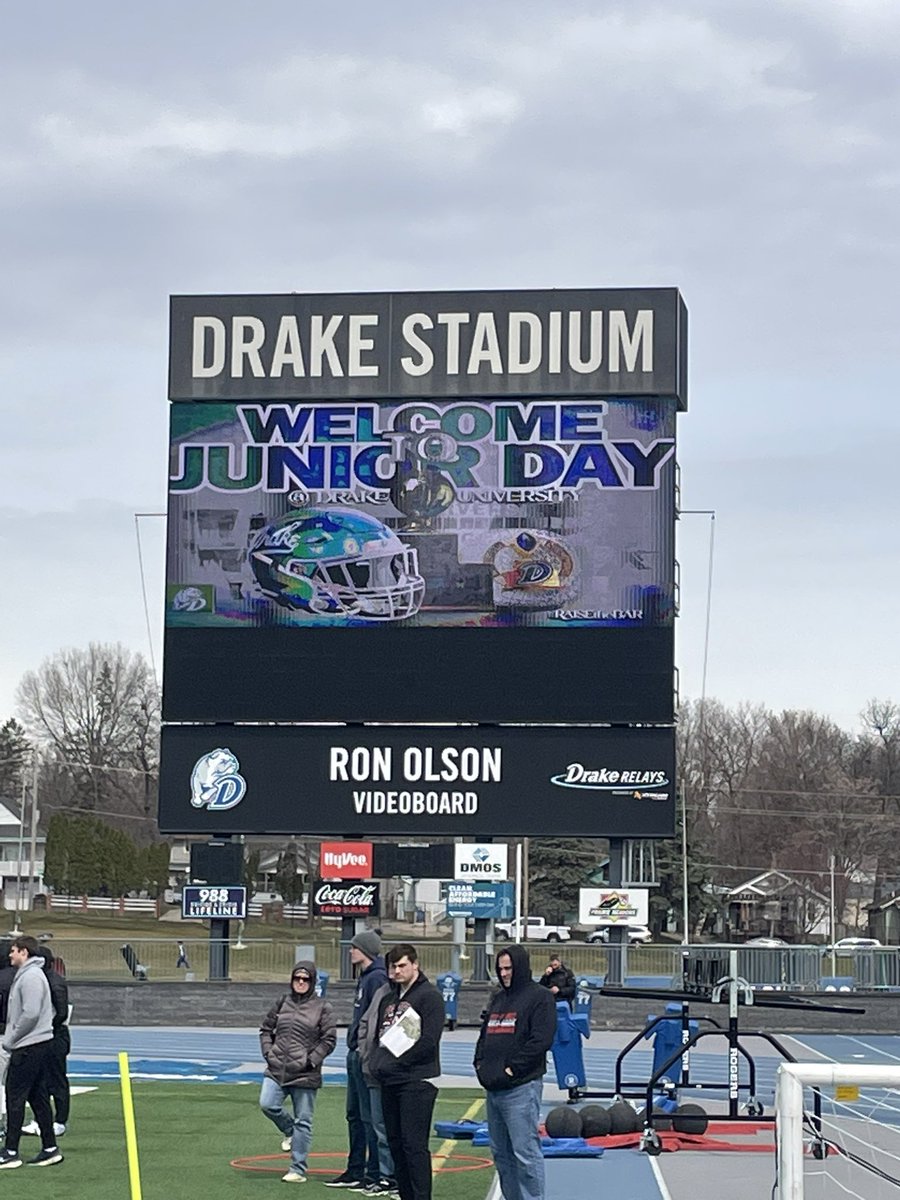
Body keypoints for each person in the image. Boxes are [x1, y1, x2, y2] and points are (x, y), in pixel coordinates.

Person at [474, 945, 556, 1200]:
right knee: (501, 1154)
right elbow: (485, 1034)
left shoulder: (540, 997)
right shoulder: (498, 998)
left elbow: (541, 1040)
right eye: (500, 969)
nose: (504, 973)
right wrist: (479, 1063)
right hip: (494, 1089)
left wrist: (511, 1070)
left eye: (508, 968)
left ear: (520, 967)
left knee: (525, 1153)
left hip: (521, 1088)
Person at [369, 944, 444, 1200]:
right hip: (389, 1081)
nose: (396, 971)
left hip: (417, 1081)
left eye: (402, 965)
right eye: (393, 966)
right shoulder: (389, 999)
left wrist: (397, 1063)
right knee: (396, 1145)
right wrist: (378, 1064)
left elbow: (429, 1040)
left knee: (414, 1147)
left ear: (415, 964)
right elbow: (380, 1037)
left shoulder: (429, 996)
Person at [326, 930, 396, 1195]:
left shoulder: (376, 978)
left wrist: (364, 1049)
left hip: (364, 1054)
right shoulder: (366, 977)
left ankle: (373, 1172)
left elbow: (374, 1018)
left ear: (365, 950)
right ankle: (356, 1169)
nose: (350, 951)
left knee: (369, 1118)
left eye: (354, 947)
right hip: (355, 1051)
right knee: (354, 1115)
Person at [259, 960, 337, 1183]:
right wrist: (268, 1052)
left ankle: (297, 1169)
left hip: (305, 1074)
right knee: (267, 1104)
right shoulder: (282, 1002)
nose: (300, 982)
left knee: (304, 1120)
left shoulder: (323, 1007)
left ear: (312, 981)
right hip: (276, 1069)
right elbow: (265, 1029)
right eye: (297, 978)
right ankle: (289, 1130)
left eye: (305, 979)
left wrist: (311, 1061)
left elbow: (329, 1039)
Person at [0, 935, 63, 1168]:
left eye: (14, 950)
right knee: (37, 1097)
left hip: (28, 1045)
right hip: (35, 1043)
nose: (10, 955)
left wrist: (12, 1037)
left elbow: (31, 1013)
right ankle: (49, 1147)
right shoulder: (30, 975)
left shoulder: (32, 977)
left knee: (15, 1096)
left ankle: (10, 1151)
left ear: (24, 952)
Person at [22, 948, 69, 1139]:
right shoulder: (40, 980)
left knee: (56, 1080)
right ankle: (41, 1119)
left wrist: (45, 1026)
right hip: (44, 1036)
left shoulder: (53, 982)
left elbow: (61, 1012)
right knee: (39, 1080)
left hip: (54, 1036)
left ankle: (59, 1121)